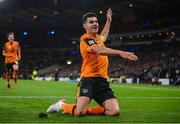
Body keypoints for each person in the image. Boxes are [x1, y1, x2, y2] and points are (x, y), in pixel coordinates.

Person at [47, 8, 138, 116]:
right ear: (85, 25)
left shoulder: (98, 39)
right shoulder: (86, 39)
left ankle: (87, 110)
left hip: (102, 81)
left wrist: (108, 21)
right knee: (79, 112)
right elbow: (99, 51)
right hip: (88, 80)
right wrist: (120, 53)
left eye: (96, 22)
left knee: (114, 111)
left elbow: (103, 36)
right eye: (91, 22)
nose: (95, 24)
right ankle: (60, 105)